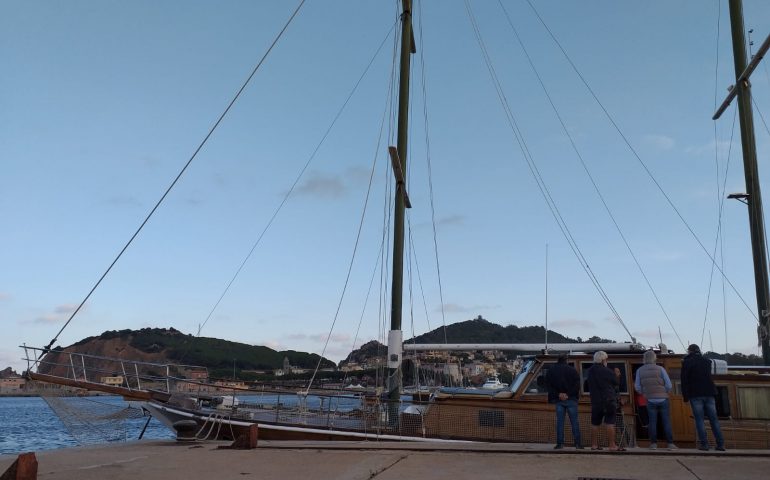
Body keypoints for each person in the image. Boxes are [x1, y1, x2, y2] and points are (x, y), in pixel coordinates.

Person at [681, 344, 725, 451]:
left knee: (699, 420)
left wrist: (685, 397)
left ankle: (704, 444)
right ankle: (720, 444)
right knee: (714, 420)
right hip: (709, 393)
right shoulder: (707, 361)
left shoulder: (686, 362)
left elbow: (684, 380)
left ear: (689, 351)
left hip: (695, 394)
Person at [634, 350, 676, 450]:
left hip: (650, 399)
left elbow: (637, 386)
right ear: (654, 358)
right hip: (663, 399)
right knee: (666, 421)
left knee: (652, 422)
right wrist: (664, 392)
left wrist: (645, 394)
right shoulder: (660, 369)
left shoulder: (640, 370)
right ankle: (670, 444)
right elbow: (669, 385)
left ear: (644, 359)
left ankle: (653, 444)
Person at [586, 351, 623, 451]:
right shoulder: (607, 371)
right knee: (610, 422)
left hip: (595, 400)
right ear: (603, 360)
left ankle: (594, 445)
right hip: (608, 399)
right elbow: (616, 383)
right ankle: (612, 445)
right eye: (606, 359)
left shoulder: (590, 371)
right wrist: (617, 375)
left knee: (594, 423)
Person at [546, 354, 582, 449]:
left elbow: (549, 385)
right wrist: (568, 394)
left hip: (558, 399)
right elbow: (577, 385)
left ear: (558, 359)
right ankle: (578, 444)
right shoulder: (572, 370)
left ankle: (560, 443)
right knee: (574, 422)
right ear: (566, 360)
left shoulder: (551, 370)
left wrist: (559, 394)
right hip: (571, 399)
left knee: (560, 422)